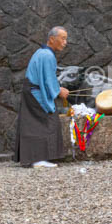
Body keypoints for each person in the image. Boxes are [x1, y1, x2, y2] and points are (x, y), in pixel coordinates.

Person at [14, 27, 70, 168]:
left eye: (66, 39)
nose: (65, 42)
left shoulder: (41, 52)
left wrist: (57, 89)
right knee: (44, 122)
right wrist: (58, 91)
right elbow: (48, 79)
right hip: (36, 93)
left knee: (33, 124)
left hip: (31, 91)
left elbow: (46, 77)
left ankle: (35, 158)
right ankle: (38, 159)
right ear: (52, 39)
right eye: (63, 38)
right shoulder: (47, 55)